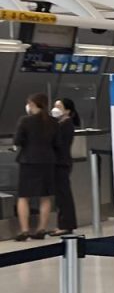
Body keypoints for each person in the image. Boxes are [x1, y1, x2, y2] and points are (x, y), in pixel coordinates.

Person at [12, 93, 55, 241]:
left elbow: (17, 140)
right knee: (45, 196)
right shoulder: (53, 122)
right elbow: (57, 143)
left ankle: (24, 230)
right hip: (48, 162)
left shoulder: (25, 121)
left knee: (24, 196)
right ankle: (41, 228)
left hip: (28, 162)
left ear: (32, 104)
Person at [50, 97, 79, 236]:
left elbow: (59, 144)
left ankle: (67, 225)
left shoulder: (66, 125)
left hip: (61, 163)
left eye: (59, 106)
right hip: (59, 162)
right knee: (60, 195)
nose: (55, 109)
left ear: (67, 110)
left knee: (64, 195)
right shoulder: (59, 123)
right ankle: (62, 223)